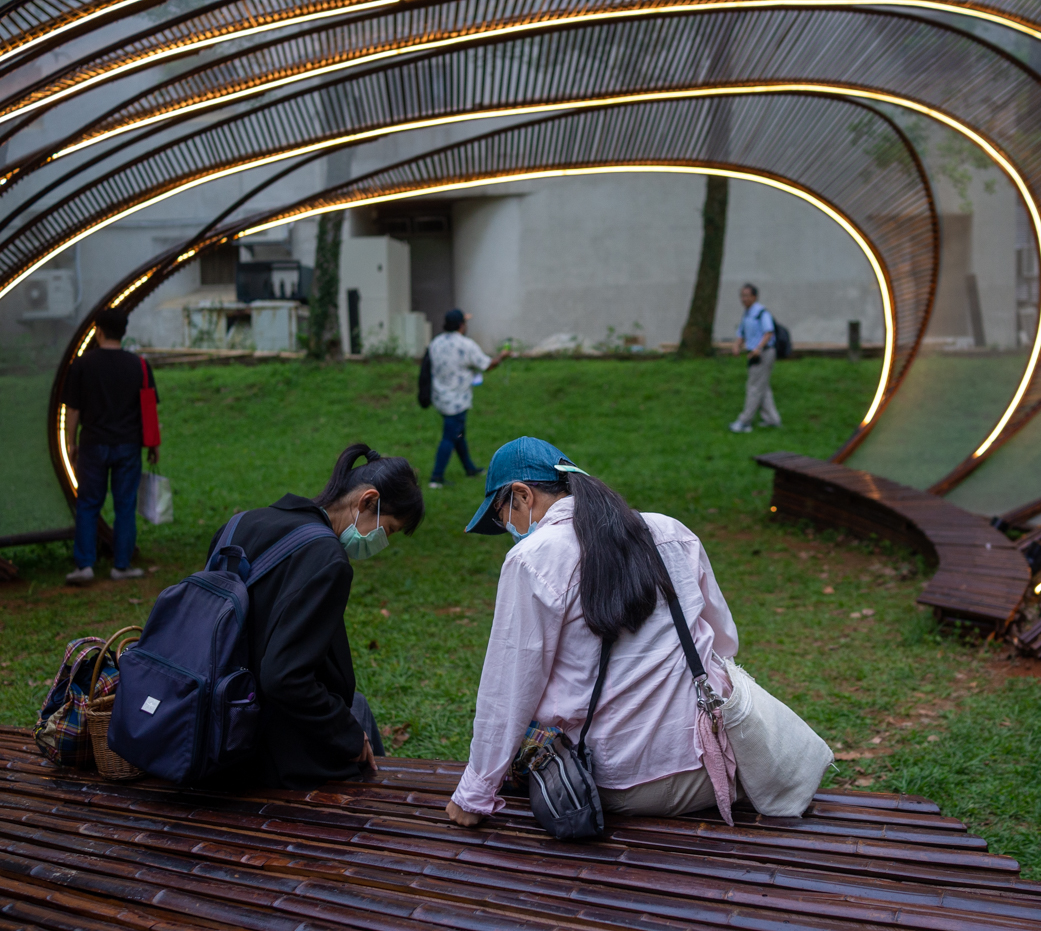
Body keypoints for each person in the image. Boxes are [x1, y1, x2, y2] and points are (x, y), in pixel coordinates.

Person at [445, 437, 740, 826]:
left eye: (502, 518)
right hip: (711, 770)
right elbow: (722, 643)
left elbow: (510, 688)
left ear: (521, 496)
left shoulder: (535, 559)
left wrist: (474, 795)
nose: (508, 529)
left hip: (615, 784)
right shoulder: (671, 532)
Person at [206, 443, 423, 788]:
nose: (383, 542)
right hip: (258, 743)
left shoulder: (240, 523)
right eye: (389, 530)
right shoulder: (328, 559)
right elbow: (283, 677)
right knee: (357, 738)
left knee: (358, 707)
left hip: (212, 712)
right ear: (367, 501)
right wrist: (348, 737)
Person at [62, 308, 159, 585]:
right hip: (128, 445)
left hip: (93, 445)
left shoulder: (82, 365)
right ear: (123, 332)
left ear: (98, 331)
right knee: (125, 505)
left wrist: (70, 442)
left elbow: (73, 409)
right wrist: (153, 445)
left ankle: (84, 566)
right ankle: (121, 565)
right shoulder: (138, 365)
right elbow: (148, 409)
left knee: (89, 504)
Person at [427, 308, 509, 489]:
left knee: (458, 434)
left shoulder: (435, 342)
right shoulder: (466, 345)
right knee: (450, 436)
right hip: (457, 401)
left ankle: (470, 469)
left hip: (440, 398)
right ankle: (436, 477)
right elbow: (487, 365)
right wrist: (502, 356)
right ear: (461, 325)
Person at [729, 283, 782, 433]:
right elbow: (742, 334)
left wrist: (758, 348)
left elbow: (768, 333)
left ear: (754, 297)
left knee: (753, 388)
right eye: (742, 296)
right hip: (753, 353)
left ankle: (744, 421)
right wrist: (736, 346)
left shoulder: (761, 313)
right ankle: (772, 419)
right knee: (762, 387)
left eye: (746, 295)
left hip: (764, 353)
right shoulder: (747, 314)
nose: (743, 299)